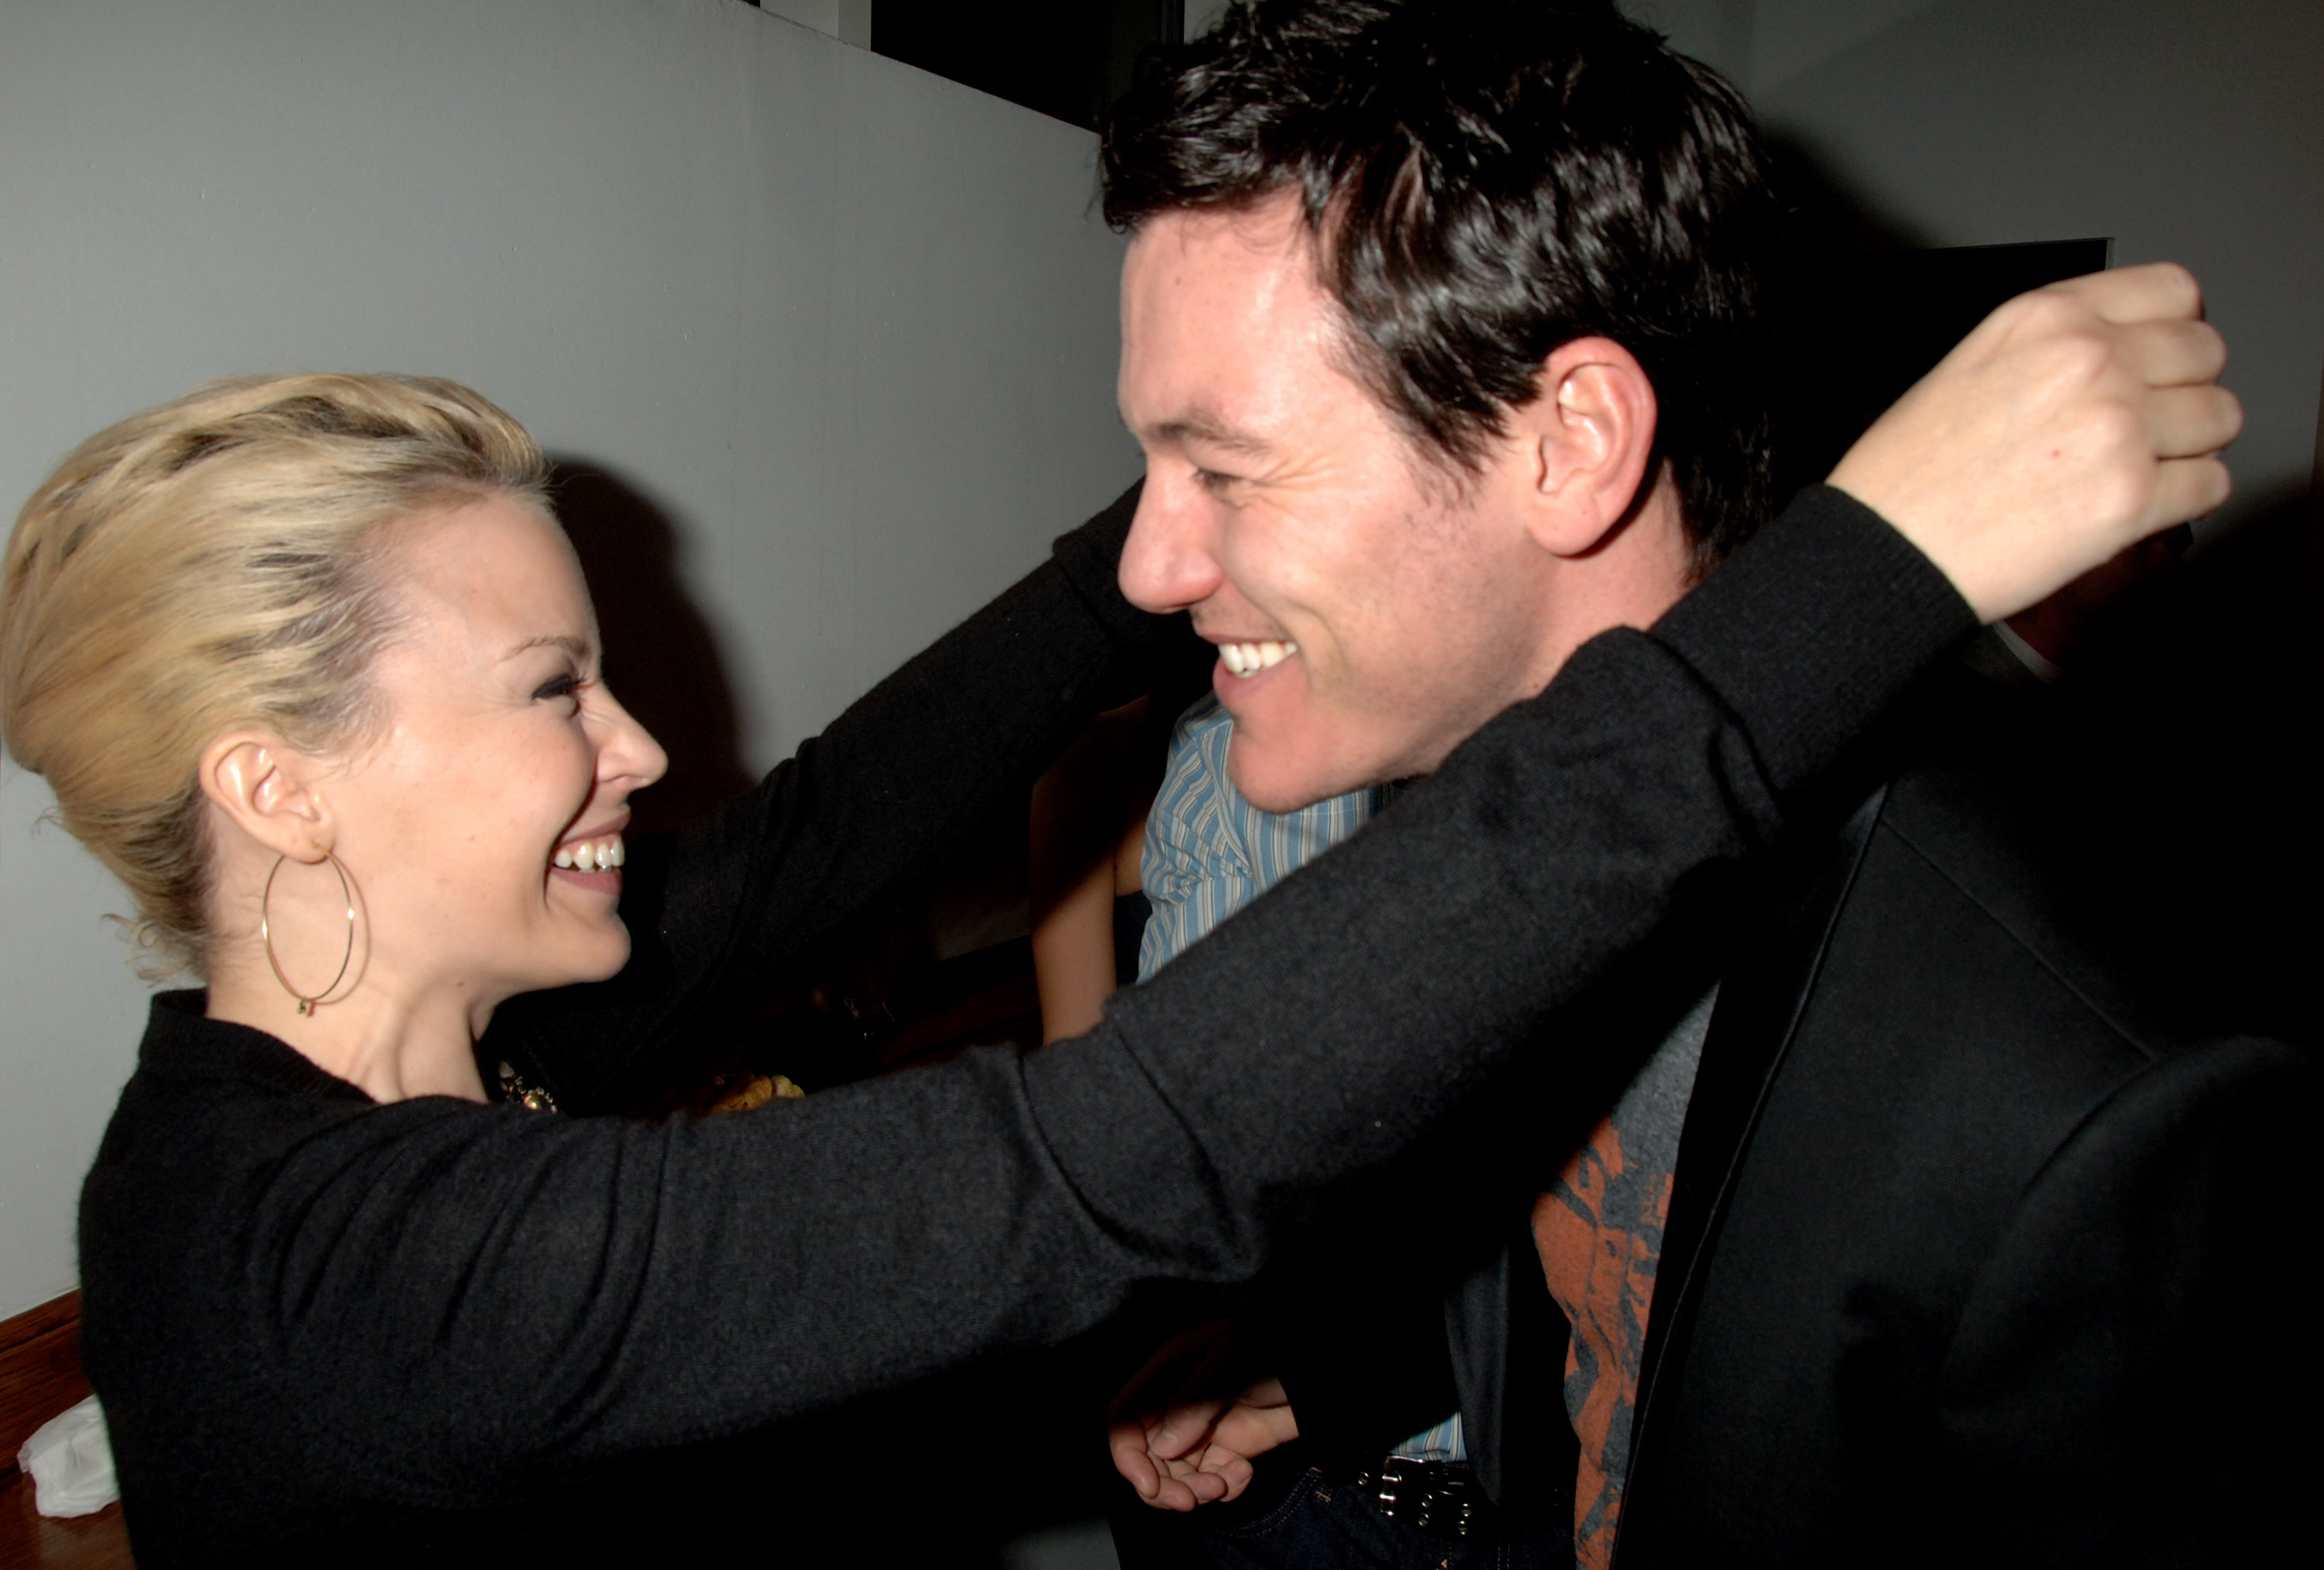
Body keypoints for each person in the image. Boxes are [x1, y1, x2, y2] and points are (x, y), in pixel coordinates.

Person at [1092, 4, 2306, 1567]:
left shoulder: (2095, 1091)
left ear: (1570, 446)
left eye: (1226, 466)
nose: (1148, 566)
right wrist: (1328, 1379)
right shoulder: (1479, 779)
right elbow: (1610, 1276)